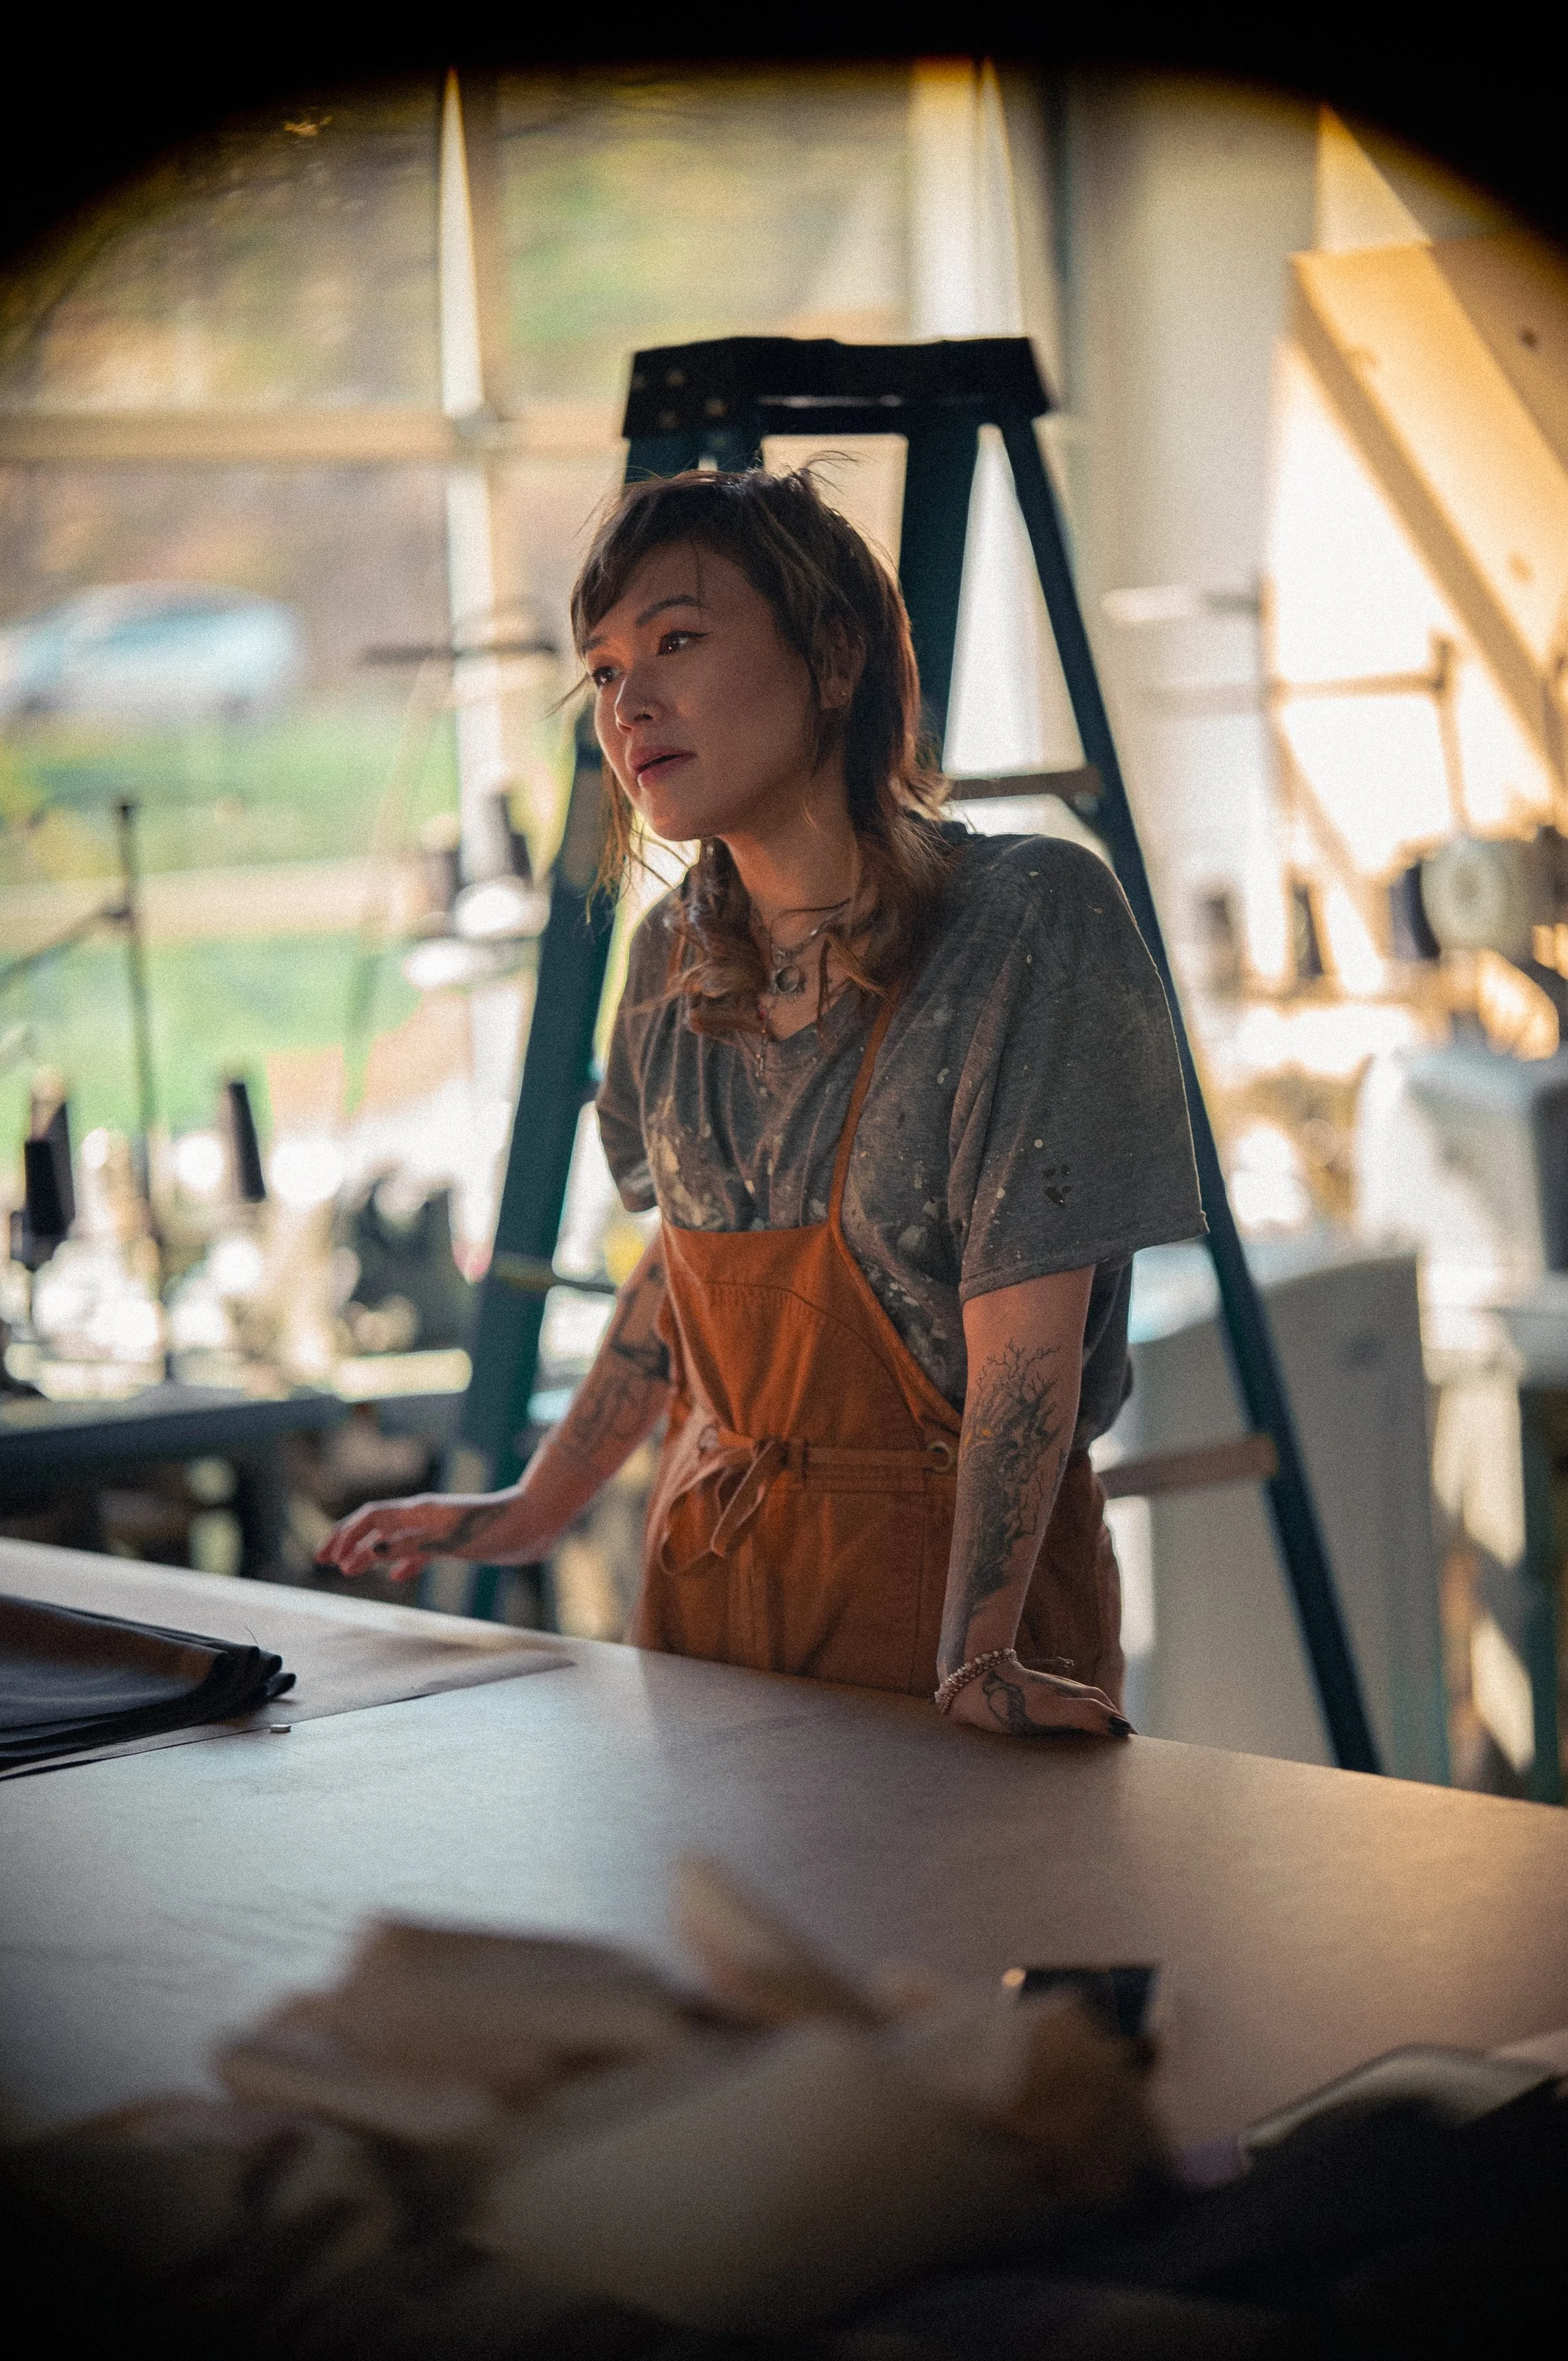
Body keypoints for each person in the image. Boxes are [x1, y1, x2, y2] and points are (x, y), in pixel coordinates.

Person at [320, 468, 1205, 1736]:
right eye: (608, 669)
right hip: (709, 1587)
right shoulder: (669, 965)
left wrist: (979, 1658)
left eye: (678, 640)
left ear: (832, 656)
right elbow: (680, 1277)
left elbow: (1027, 1350)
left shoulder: (1026, 925)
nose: (633, 702)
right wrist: (533, 1506)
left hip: (951, 1611)